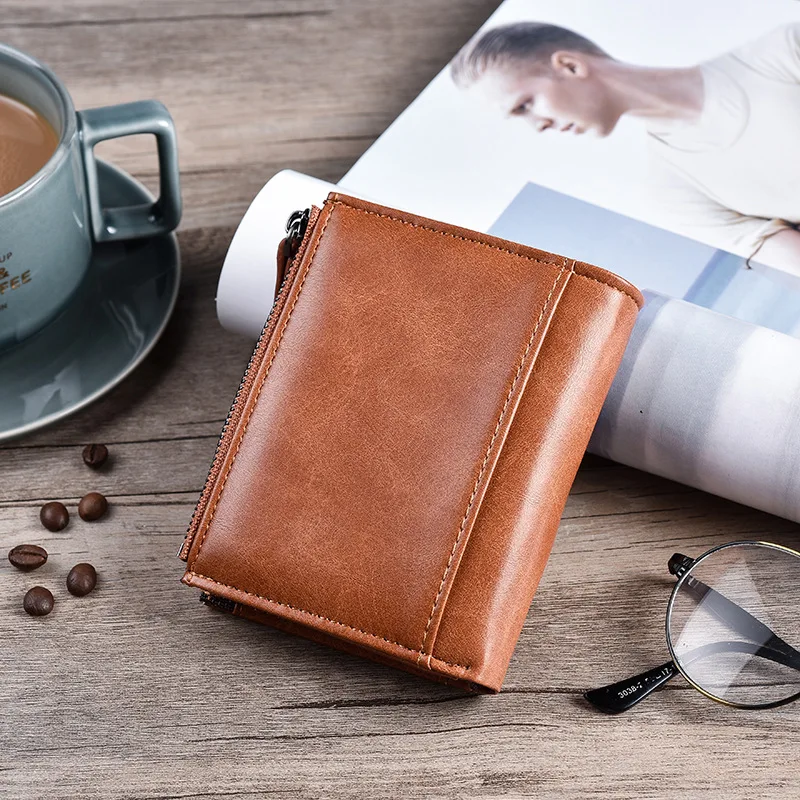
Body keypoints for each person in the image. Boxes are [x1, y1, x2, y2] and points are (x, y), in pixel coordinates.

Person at [450, 22, 800, 276]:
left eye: (525, 105)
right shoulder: (672, 192)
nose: (537, 125)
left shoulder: (783, 51)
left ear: (570, 65)